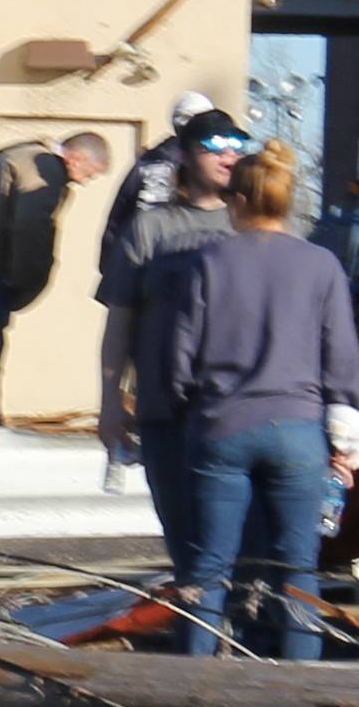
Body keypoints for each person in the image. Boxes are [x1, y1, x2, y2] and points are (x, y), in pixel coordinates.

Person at [137, 141, 359, 660]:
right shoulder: (322, 265)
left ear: (238, 201)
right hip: (300, 432)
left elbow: (180, 357)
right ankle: (298, 691)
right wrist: (346, 443)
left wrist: (178, 408)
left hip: (222, 427)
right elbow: (343, 359)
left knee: (209, 566)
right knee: (297, 570)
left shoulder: (207, 262)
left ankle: (197, 684)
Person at [92, 106, 254, 483]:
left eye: (237, 145)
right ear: (183, 155)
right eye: (214, 145)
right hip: (165, 409)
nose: (228, 155)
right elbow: (119, 322)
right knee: (183, 533)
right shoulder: (151, 228)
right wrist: (110, 401)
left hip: (240, 410)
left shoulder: (254, 227)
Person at [0, 129, 111, 433]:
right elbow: (32, 231)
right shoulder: (46, 171)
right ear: (76, 157)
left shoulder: (22, 155)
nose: (82, 182)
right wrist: (26, 285)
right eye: (88, 174)